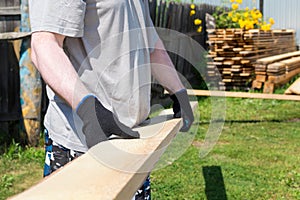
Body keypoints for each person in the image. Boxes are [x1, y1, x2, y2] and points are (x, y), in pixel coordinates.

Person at [28, 0, 194, 199]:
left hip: (133, 141)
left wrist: (178, 92)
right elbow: (44, 45)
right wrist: (88, 109)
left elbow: (151, 43)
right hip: (81, 147)